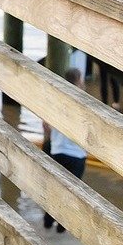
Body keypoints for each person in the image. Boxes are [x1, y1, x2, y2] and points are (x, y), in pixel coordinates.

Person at [42, 65, 88, 229]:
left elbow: (46, 125)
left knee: (55, 189)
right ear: (79, 82)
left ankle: (47, 222)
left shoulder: (57, 101)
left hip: (58, 151)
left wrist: (51, 140)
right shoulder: (84, 105)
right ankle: (62, 227)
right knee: (71, 194)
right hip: (76, 155)